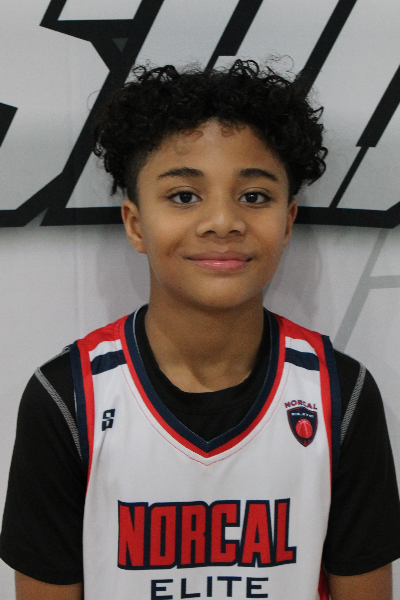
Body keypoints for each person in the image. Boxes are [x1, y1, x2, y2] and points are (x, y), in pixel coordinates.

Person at [1, 60, 400, 600]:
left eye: (254, 196)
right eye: (184, 196)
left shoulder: (340, 396)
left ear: (287, 221)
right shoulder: (67, 400)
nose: (223, 222)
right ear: (135, 224)